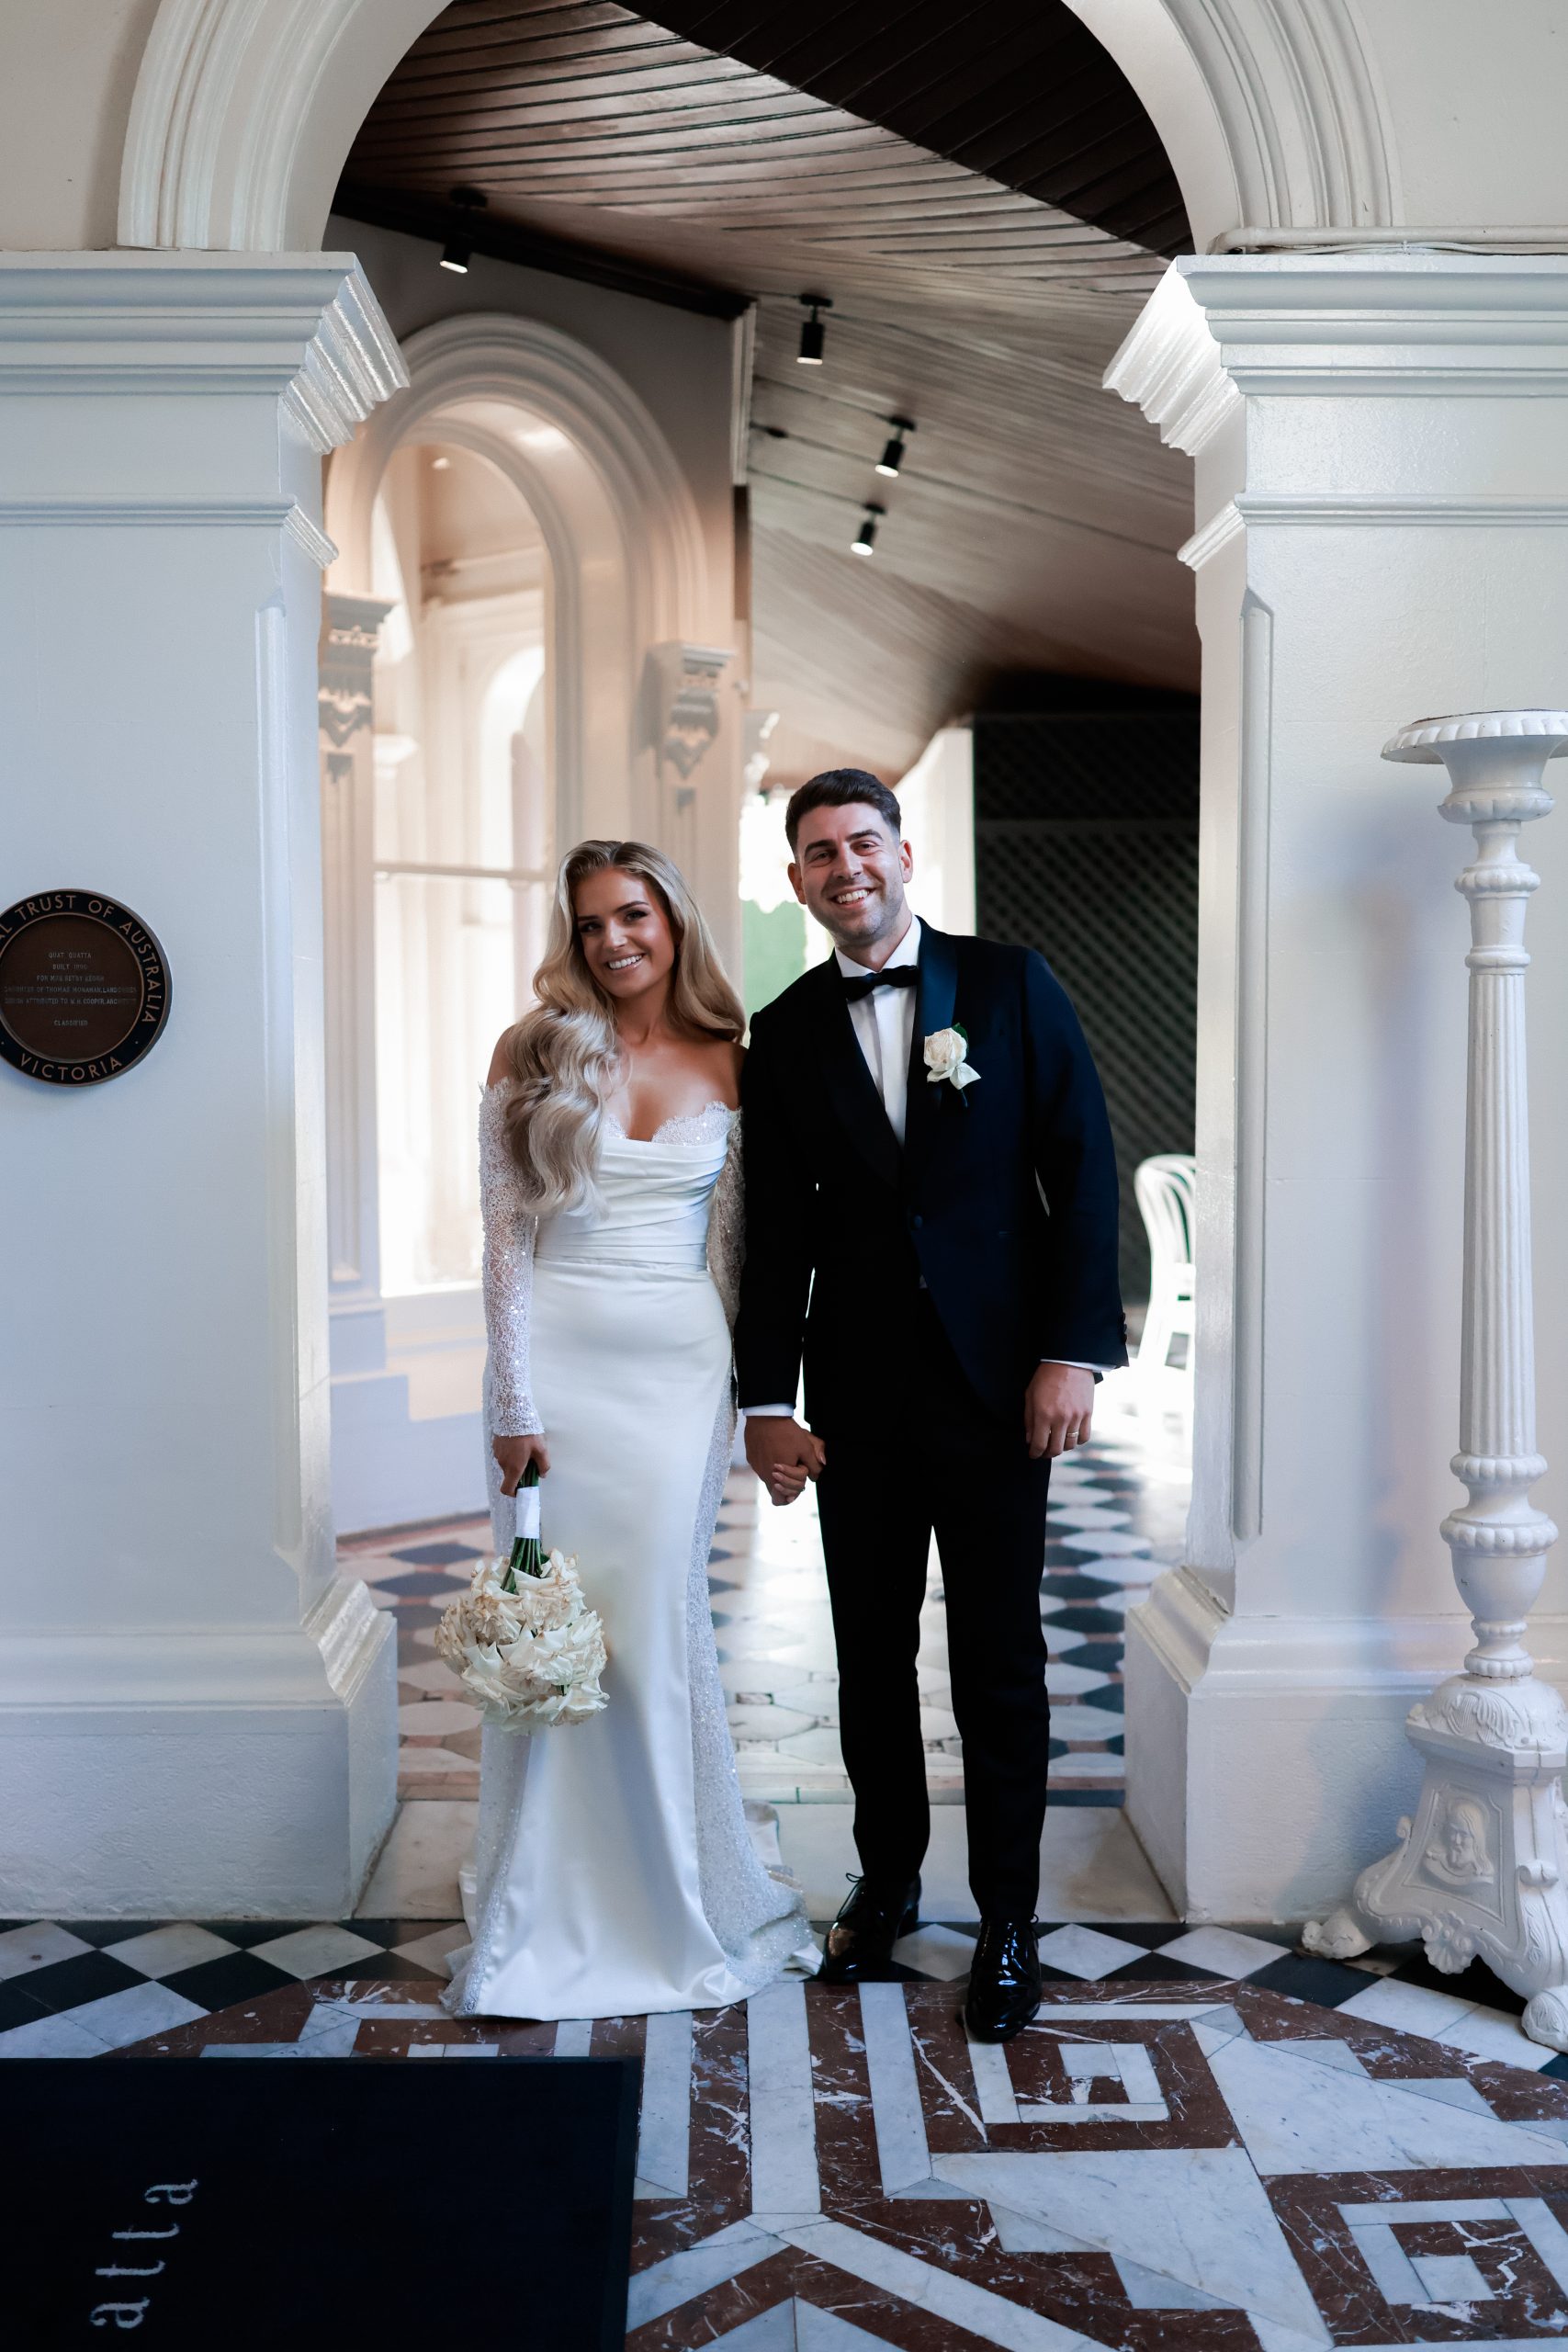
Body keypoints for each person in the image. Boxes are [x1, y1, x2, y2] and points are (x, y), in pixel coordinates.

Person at [736, 769, 1125, 2042]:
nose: (844, 867)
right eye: (817, 853)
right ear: (797, 880)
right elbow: (775, 1232)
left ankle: (1008, 1921)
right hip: (855, 1401)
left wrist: (1072, 1353)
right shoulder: (783, 1032)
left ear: (904, 854)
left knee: (1002, 1663)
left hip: (1000, 1390)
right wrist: (763, 1399)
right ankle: (890, 1881)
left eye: (862, 843)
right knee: (870, 1657)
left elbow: (1081, 1168)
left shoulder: (1012, 984)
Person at [445, 839, 814, 2022]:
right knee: (556, 1626)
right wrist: (513, 1403)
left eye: (634, 916)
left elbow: (751, 1253)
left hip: (677, 1373)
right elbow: (504, 1238)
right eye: (594, 922)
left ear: (674, 922)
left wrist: (765, 1396)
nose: (615, 941)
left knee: (652, 1624)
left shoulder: (733, 1060)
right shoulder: (534, 1049)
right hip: (559, 1362)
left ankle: (668, 1892)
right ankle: (539, 1904)